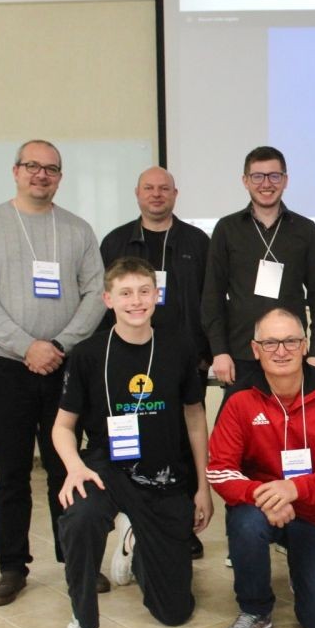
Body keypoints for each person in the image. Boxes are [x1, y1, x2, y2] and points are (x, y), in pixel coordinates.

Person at [51, 257, 212, 628]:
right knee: (81, 516)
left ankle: (134, 545)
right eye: (125, 293)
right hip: (108, 468)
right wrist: (73, 468)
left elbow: (195, 418)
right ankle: (83, 627)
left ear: (156, 296)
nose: (135, 301)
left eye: (144, 291)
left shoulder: (179, 348)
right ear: (108, 299)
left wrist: (203, 487)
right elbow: (62, 427)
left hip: (164, 474)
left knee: (175, 612)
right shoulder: (87, 354)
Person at [0, 139, 105, 607]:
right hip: (7, 367)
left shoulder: (78, 230)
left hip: (64, 366)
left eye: (51, 169)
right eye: (33, 167)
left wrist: (59, 346)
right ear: (16, 171)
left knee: (66, 466)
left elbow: (95, 294)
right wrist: (29, 347)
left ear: (60, 177)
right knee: (12, 473)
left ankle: (73, 559)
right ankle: (12, 566)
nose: (41, 175)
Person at [207, 308, 315, 628]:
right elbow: (219, 470)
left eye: (290, 341)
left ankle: (302, 568)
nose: (281, 351)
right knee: (245, 524)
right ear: (255, 349)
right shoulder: (239, 398)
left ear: (305, 345)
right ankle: (255, 609)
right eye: (270, 342)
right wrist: (265, 496)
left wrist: (294, 488)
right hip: (260, 508)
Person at [101, 165, 211, 558]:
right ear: (137, 193)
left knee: (181, 443)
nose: (157, 194)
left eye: (164, 189)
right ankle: (134, 519)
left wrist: (206, 354)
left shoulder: (197, 241)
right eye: (149, 188)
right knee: (139, 443)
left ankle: (183, 523)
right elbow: (104, 308)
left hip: (183, 360)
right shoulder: (116, 241)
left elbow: (210, 301)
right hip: (128, 361)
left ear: (176, 194)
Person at [202, 146, 315, 401]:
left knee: (291, 429)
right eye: (257, 176)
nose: (266, 184)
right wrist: (219, 351)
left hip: (291, 352)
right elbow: (212, 296)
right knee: (240, 432)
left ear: (285, 180)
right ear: (245, 181)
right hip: (242, 353)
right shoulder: (227, 229)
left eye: (274, 176)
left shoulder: (305, 230)